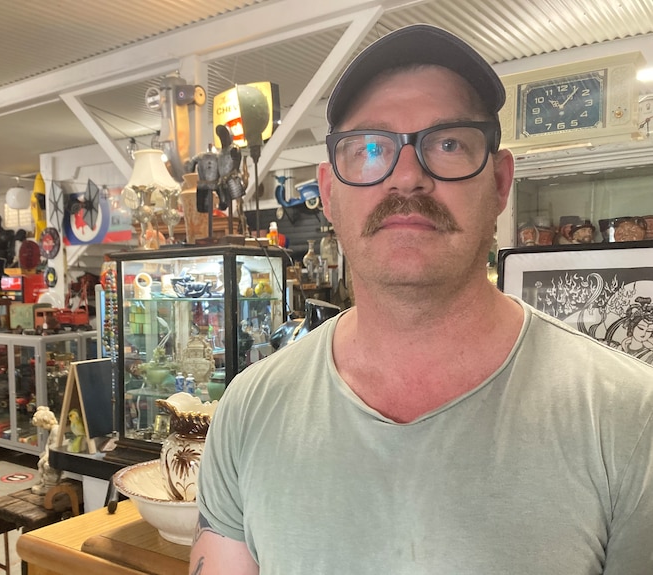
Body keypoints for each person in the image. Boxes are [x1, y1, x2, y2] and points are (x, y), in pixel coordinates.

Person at [192, 24, 653, 574]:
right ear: (331, 192)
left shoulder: (628, 418)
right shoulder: (248, 410)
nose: (407, 177)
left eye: (449, 143)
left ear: (501, 183)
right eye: (370, 147)